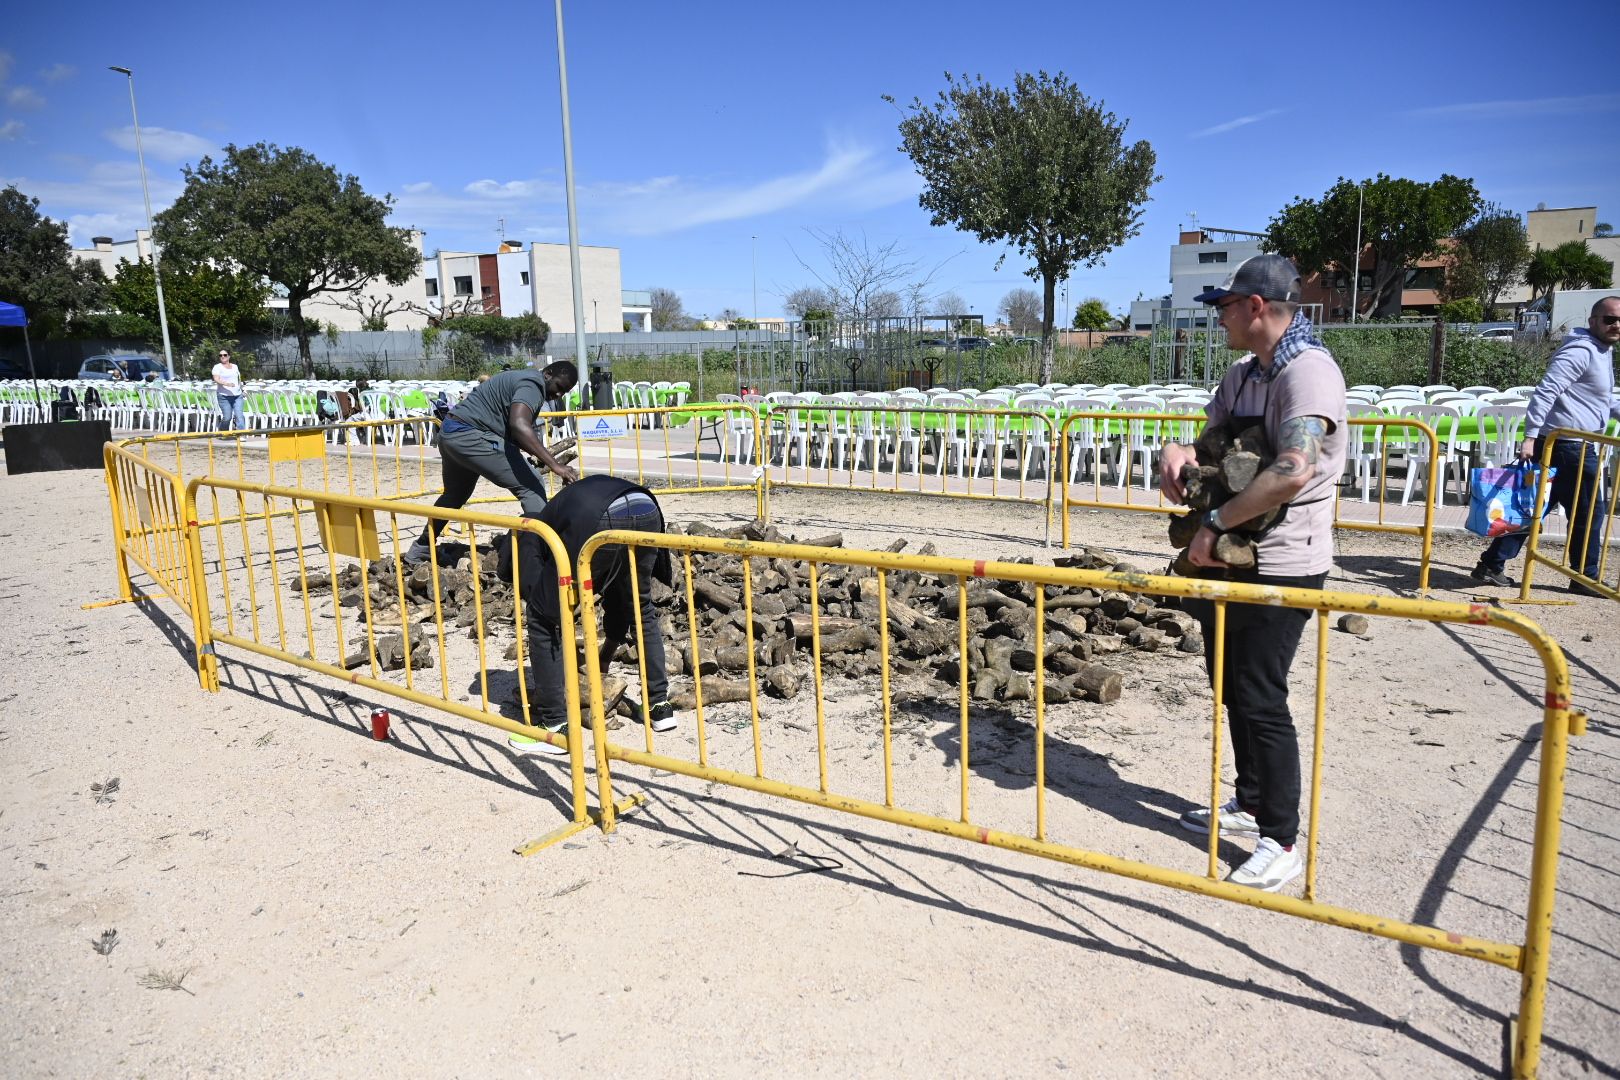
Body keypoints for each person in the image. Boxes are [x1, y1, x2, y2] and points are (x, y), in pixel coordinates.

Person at [1157, 254, 1348, 893]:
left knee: (1261, 695)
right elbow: (1209, 441)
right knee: (1231, 684)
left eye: (1225, 306)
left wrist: (1213, 525)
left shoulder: (1309, 373)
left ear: (1256, 307)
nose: (1220, 318)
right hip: (1228, 559)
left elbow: (1294, 468)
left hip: (1282, 564)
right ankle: (1250, 797)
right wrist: (1176, 454)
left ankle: (1281, 838)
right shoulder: (1244, 375)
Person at [503, 474, 676, 756]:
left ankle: (555, 727)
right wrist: (604, 655)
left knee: (541, 619)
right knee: (640, 607)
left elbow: (542, 602)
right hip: (646, 507)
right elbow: (615, 599)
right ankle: (660, 708)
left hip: (600, 517)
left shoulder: (529, 537)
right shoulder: (553, 516)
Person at [1472, 295, 1620, 597]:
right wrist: (1530, 436)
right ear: (1593, 321)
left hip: (1569, 445)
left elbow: (1603, 400)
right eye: (1610, 319)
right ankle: (1585, 576)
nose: (1616, 325)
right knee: (1589, 512)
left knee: (1534, 508)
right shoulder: (1582, 350)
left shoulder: (1602, 350)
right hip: (1569, 446)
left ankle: (1491, 564)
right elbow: (1546, 390)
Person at [404, 361, 579, 563]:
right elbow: (520, 425)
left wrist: (532, 459)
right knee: (532, 487)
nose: (559, 395)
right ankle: (538, 557)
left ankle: (420, 549)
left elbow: (512, 431)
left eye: (564, 392)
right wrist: (555, 466)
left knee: (454, 496)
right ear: (547, 374)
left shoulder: (521, 378)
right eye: (559, 387)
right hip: (472, 435)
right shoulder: (533, 385)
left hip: (451, 433)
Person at [212, 349, 244, 431]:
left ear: (229, 356)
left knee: (239, 415)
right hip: (224, 396)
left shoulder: (235, 366)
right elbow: (216, 379)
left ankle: (241, 434)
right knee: (227, 417)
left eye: (225, 355)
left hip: (237, 395)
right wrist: (226, 384)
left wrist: (242, 388)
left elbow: (238, 379)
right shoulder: (217, 367)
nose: (222, 356)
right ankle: (222, 431)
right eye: (220, 355)